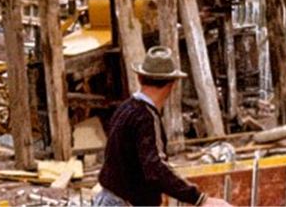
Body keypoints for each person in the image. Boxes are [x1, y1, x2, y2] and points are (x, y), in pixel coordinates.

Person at [95, 46, 232, 207]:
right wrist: (200, 199)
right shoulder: (145, 118)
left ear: (139, 78)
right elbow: (155, 169)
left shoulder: (125, 109)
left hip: (109, 198)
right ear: (172, 84)